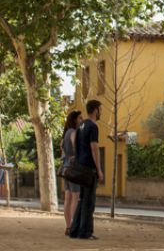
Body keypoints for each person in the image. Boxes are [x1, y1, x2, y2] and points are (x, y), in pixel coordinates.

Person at [69, 100, 103, 240]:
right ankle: (85, 232)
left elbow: (75, 145)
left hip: (80, 166)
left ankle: (74, 230)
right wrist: (99, 169)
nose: (101, 112)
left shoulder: (81, 125)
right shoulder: (93, 126)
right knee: (89, 201)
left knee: (82, 200)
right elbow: (94, 147)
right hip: (89, 168)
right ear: (95, 110)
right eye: (101, 109)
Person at [61, 110, 83, 236]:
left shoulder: (65, 135)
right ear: (75, 120)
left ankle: (68, 226)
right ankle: (75, 226)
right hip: (74, 169)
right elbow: (76, 145)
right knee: (76, 198)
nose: (81, 120)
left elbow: (62, 151)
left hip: (66, 169)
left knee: (68, 199)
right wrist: (77, 155)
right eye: (80, 118)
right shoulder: (73, 132)